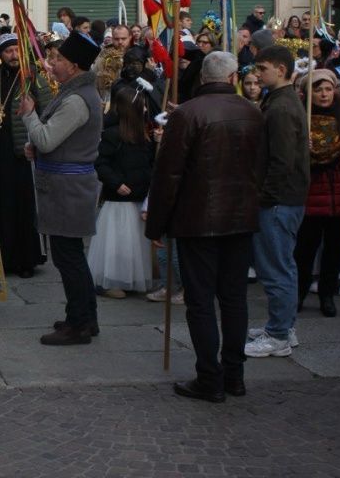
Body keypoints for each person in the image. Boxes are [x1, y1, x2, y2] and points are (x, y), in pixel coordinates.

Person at [145, 52, 263, 402]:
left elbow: (169, 174)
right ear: (231, 79)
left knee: (201, 301)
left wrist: (157, 224)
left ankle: (211, 377)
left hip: (198, 220)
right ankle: (233, 375)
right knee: (233, 299)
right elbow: (262, 165)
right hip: (239, 218)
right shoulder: (251, 111)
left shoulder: (188, 113)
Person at [20, 32, 103, 345]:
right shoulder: (74, 93)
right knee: (71, 257)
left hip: (68, 190)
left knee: (69, 258)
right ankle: (85, 316)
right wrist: (37, 148)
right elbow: (51, 141)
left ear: (76, 66)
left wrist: (29, 115)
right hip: (66, 186)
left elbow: (46, 138)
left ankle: (79, 323)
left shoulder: (76, 100)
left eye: (59, 60)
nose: (52, 64)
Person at [245, 46, 309, 359]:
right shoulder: (279, 101)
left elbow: (282, 160)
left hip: (279, 201)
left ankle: (279, 334)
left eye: (263, 68)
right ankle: (283, 325)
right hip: (283, 199)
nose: (257, 74)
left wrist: (265, 197)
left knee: (275, 268)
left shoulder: (282, 107)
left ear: (281, 69)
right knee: (282, 264)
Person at [295, 69, 340, 318]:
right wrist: (300, 143)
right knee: (305, 248)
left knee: (335, 248)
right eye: (318, 89)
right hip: (312, 189)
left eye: (327, 89)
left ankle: (327, 294)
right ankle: (299, 292)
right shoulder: (301, 115)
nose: (324, 94)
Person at [0, 34, 45, 279]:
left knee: (23, 206)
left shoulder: (33, 79)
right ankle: (6, 259)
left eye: (15, 50)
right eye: (7, 51)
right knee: (2, 204)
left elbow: (47, 111)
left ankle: (26, 260)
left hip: (22, 150)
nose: (12, 55)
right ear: (0, 55)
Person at [88, 85, 155, 299]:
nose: (145, 109)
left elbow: (150, 163)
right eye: (142, 106)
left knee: (134, 244)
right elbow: (100, 162)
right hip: (119, 199)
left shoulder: (145, 136)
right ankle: (111, 281)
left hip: (138, 197)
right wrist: (115, 183)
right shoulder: (113, 135)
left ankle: (131, 278)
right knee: (117, 242)